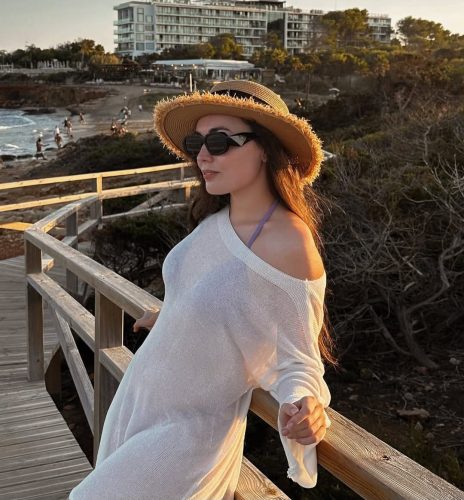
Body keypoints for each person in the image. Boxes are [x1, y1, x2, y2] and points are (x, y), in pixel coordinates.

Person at [70, 80, 333, 499]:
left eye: (220, 141)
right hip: (141, 399)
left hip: (188, 432)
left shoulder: (288, 241)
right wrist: (176, 314)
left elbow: (299, 357)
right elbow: (218, 293)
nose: (203, 155)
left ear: (265, 148)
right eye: (197, 143)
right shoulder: (216, 220)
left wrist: (306, 405)